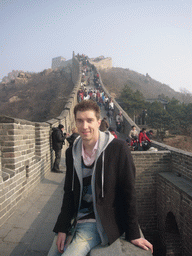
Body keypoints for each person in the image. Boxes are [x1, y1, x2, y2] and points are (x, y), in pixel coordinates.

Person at [48, 100, 153, 256]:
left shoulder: (118, 149)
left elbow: (128, 193)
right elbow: (69, 192)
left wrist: (134, 234)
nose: (84, 126)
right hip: (75, 220)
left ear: (98, 122)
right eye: (80, 121)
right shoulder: (72, 153)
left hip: (98, 222)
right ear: (75, 122)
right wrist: (62, 227)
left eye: (89, 120)